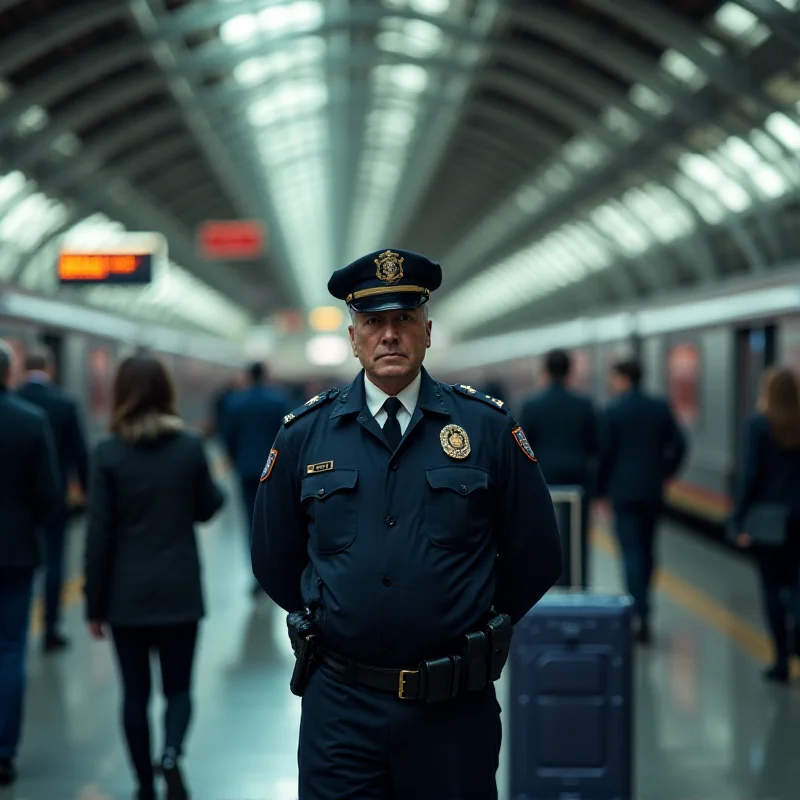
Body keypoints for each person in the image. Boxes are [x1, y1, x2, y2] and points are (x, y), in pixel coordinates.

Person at [251, 248, 562, 799]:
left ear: (427, 331)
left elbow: (536, 552)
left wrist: (474, 621)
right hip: (340, 708)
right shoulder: (305, 434)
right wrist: (329, 610)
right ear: (353, 338)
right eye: (373, 322)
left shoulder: (485, 429)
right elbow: (274, 557)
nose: (389, 335)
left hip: (452, 710)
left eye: (404, 320)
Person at [83, 355, 224, 800]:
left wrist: (93, 604)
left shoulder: (107, 453)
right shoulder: (187, 447)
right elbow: (208, 507)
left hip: (126, 597)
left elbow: (99, 535)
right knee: (178, 688)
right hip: (179, 590)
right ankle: (171, 754)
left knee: (134, 695)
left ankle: (144, 785)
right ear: (167, 392)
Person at [0, 339, 60, 786]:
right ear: (8, 373)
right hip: (15, 551)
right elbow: (48, 496)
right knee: (10, 649)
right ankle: (4, 751)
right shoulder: (29, 421)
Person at [598, 357, 686, 644]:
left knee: (630, 553)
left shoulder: (612, 410)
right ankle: (646, 608)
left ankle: (638, 612)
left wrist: (600, 492)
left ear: (623, 378)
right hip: (652, 490)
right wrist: (665, 471)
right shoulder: (659, 406)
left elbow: (604, 455)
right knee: (648, 551)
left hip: (623, 493)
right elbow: (680, 444)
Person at [17, 345, 89, 652]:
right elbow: (79, 455)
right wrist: (86, 491)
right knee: (54, 561)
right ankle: (50, 629)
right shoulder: (64, 404)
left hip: (13, 502)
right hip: (54, 497)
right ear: (50, 369)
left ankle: (14, 628)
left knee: (15, 564)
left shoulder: (13, 400)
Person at [731, 367, 800, 683]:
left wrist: (739, 519)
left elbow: (750, 476)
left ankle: (780, 660)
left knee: (772, 589)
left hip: (768, 522)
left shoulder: (758, 424)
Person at [520, 349, 599, 587]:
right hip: (578, 481)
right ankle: (577, 585)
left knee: (544, 538)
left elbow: (523, 447)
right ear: (569, 371)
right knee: (577, 539)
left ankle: (546, 587)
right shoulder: (584, 404)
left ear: (544, 372)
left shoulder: (532, 405)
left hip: (543, 481)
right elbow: (595, 445)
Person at [222, 361, 289, 589]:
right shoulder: (278, 400)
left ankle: (256, 573)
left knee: (249, 520)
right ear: (266, 375)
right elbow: (287, 434)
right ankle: (274, 568)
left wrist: (234, 459)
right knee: (272, 519)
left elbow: (228, 435)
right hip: (273, 468)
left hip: (246, 469)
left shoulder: (235, 402)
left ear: (249, 376)